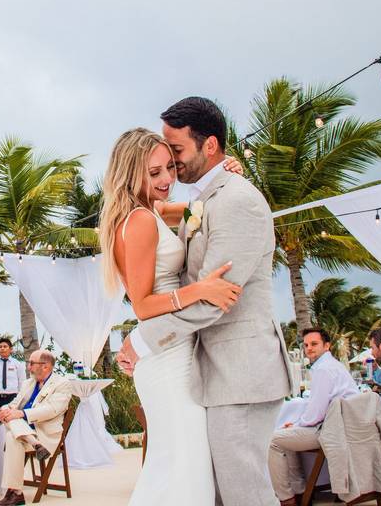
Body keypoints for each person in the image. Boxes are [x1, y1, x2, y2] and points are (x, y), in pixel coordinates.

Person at [116, 97, 293, 506]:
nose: (172, 166)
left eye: (176, 152)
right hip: (209, 371)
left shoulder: (237, 200)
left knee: (244, 492)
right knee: (206, 487)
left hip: (241, 373)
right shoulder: (199, 202)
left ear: (209, 145)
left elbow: (216, 298)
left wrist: (142, 341)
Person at [269, 328, 358, 506]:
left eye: (314, 344)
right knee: (286, 439)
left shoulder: (323, 369)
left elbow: (315, 414)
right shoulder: (333, 366)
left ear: (327, 346)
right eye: (306, 345)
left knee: (273, 440)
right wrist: (297, 425)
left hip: (332, 431)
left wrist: (297, 424)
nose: (309, 348)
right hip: (344, 427)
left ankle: (287, 498)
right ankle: (300, 491)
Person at [0, 350, 72, 506]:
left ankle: (15, 492)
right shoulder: (28, 383)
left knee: (12, 436)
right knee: (11, 428)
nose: (29, 367)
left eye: (31, 363)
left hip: (44, 433)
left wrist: (20, 413)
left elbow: (52, 410)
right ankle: (35, 446)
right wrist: (1, 412)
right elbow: (14, 404)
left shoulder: (62, 384)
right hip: (29, 436)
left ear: (45, 366)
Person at [0, 337, 25, 408]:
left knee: (11, 418)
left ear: (10, 349)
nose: (2, 348)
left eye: (5, 346)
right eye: (0, 347)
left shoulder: (17, 364)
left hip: (12, 398)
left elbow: (21, 382)